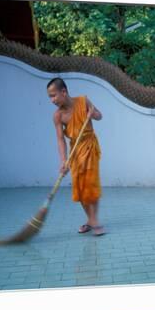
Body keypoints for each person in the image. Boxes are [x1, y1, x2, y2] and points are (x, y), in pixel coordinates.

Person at [46, 77, 105, 236]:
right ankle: (91, 220)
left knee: (90, 185)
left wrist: (92, 114)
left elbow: (100, 116)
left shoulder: (83, 101)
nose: (52, 100)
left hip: (90, 146)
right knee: (80, 189)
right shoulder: (58, 116)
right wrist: (63, 160)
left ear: (63, 92)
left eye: (53, 95)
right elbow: (60, 139)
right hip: (75, 151)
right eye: (50, 97)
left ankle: (94, 221)